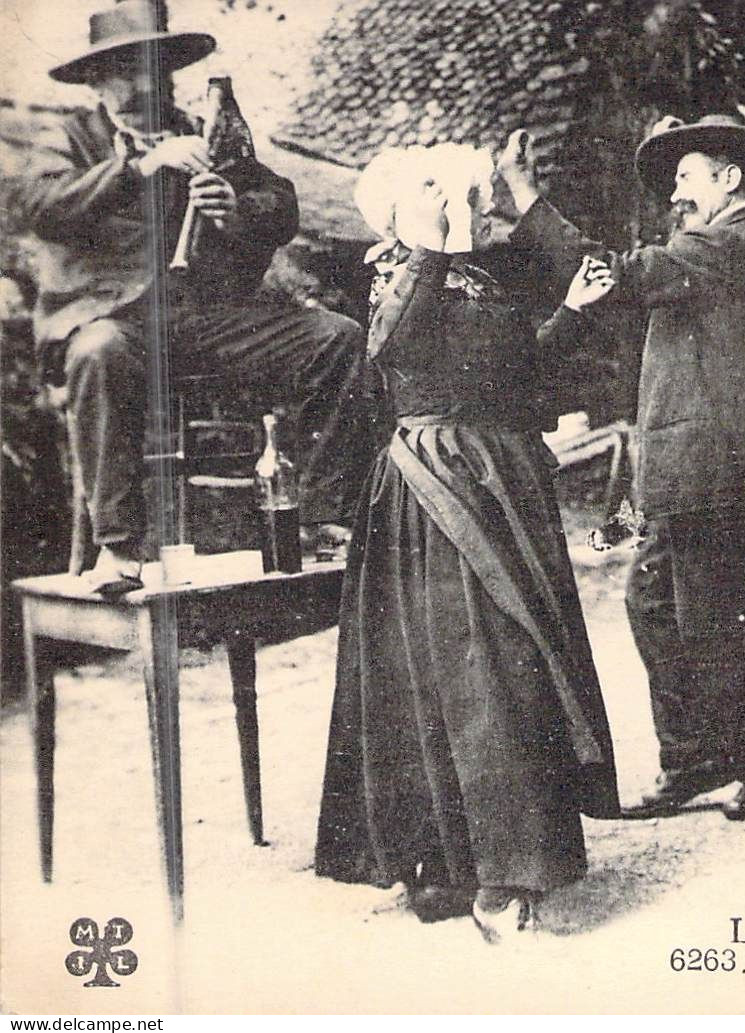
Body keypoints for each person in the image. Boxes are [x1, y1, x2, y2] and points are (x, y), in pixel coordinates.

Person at [314, 146, 621, 944]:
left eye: (452, 187)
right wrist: (430, 244)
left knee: (513, 661)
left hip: (504, 474)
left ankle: (518, 859)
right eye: (428, 186)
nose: (452, 196)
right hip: (435, 486)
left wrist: (574, 312)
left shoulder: (480, 273)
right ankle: (455, 859)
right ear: (390, 210)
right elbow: (391, 348)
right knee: (463, 666)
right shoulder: (393, 269)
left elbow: (516, 373)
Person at [498, 114, 745, 823]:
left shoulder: (743, 238)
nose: (675, 194)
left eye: (685, 178)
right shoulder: (708, 243)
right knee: (653, 603)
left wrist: (524, 195)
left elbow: (616, 271)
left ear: (730, 180)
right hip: (684, 462)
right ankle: (693, 760)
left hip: (712, 463)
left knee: (710, 614)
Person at [10, 0, 374, 593]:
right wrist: (138, 168)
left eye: (147, 69)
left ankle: (325, 514)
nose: (134, 85)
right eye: (118, 72)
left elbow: (276, 203)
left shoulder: (206, 130)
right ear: (95, 80)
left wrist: (236, 210)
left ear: (168, 75)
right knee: (97, 351)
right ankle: (120, 550)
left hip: (207, 321)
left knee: (334, 338)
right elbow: (38, 207)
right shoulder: (67, 137)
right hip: (114, 321)